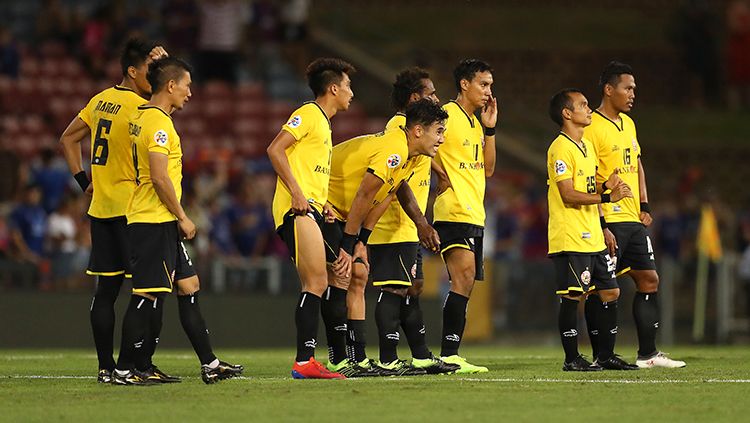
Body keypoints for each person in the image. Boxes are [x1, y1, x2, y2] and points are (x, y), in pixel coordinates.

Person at [112, 57, 242, 385]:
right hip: (153, 219)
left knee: (189, 285)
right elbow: (158, 176)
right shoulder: (158, 124)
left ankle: (209, 364)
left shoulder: (141, 117)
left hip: (157, 219)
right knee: (146, 294)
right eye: (186, 85)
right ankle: (125, 368)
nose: (190, 92)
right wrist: (183, 216)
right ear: (171, 86)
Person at [59, 39, 171, 383]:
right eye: (149, 72)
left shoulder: (100, 101)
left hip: (101, 208)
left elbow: (67, 139)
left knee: (105, 292)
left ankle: (106, 368)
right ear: (133, 71)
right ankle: (140, 365)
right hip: (135, 212)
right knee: (150, 290)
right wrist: (169, 65)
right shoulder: (142, 109)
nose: (154, 80)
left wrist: (83, 180)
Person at [321, 98, 445, 377]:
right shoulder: (395, 150)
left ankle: (357, 358)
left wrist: (361, 240)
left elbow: (384, 197)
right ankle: (338, 359)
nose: (441, 139)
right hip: (321, 201)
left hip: (342, 211)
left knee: (357, 276)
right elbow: (365, 195)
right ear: (417, 131)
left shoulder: (411, 158)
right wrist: (347, 245)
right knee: (339, 276)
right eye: (438, 131)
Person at [584, 61, 686, 368]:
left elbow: (637, 165)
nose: (632, 94)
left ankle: (648, 355)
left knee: (649, 279)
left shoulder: (628, 123)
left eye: (634, 89)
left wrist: (645, 204)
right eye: (627, 88)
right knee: (601, 288)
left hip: (632, 218)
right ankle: (602, 355)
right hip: (608, 218)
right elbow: (588, 174)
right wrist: (600, 221)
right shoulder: (590, 126)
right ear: (608, 89)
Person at [267, 57, 355, 379]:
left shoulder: (323, 124)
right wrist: (297, 193)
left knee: (335, 276)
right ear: (333, 88)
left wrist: (322, 203)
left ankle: (327, 357)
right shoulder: (308, 114)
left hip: (313, 209)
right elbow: (275, 149)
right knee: (315, 282)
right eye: (347, 86)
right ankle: (304, 360)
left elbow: (308, 169)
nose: (351, 93)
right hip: (296, 210)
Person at [366, 68, 457, 374]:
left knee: (413, 286)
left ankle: (419, 354)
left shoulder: (419, 133)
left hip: (409, 224)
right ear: (416, 97)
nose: (436, 97)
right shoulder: (400, 128)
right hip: (393, 222)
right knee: (394, 288)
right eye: (431, 93)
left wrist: (438, 171)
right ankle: (389, 357)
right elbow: (398, 181)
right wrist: (422, 222)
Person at [547, 88, 638, 371]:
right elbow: (568, 194)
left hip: (593, 235)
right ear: (567, 113)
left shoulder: (585, 146)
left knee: (610, 292)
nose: (589, 110)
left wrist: (605, 189)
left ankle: (605, 355)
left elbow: (587, 188)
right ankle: (571, 358)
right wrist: (608, 197)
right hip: (570, 235)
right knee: (573, 296)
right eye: (583, 105)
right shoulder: (560, 148)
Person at [430, 59, 496, 373]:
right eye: (483, 84)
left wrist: (491, 129)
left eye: (490, 85)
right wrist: (439, 172)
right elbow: (413, 139)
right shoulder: (446, 115)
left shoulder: (475, 122)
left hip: (475, 212)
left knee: (465, 282)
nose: (488, 91)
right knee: (463, 275)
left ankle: (450, 352)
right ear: (464, 84)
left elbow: (490, 169)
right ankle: (449, 352)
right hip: (452, 210)